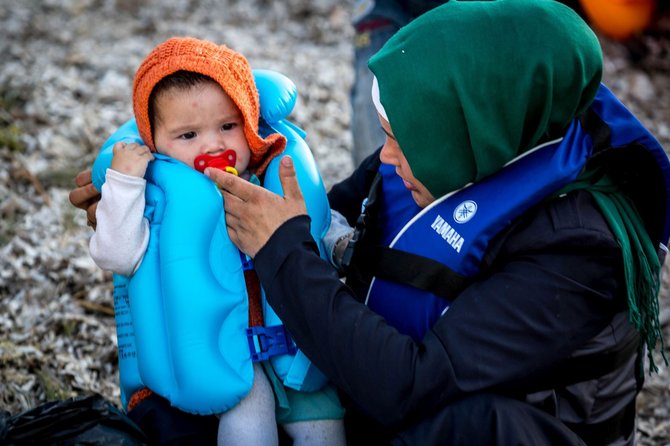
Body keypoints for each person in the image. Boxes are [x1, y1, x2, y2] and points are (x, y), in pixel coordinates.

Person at [206, 1, 670, 445]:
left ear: (476, 128)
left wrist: (282, 253)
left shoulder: (579, 246)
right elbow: (320, 217)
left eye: (399, 140)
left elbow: (410, 388)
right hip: (394, 396)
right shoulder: (447, 143)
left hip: (482, 424)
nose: (386, 157)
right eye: (387, 133)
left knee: (473, 426)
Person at [87, 36, 345, 446]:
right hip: (227, 363)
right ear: (154, 142)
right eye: (187, 135)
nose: (213, 145)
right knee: (248, 425)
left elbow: (320, 226)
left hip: (294, 352)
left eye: (228, 126)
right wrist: (122, 185)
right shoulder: (157, 203)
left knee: (327, 423)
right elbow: (114, 255)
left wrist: (340, 240)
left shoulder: (270, 179)